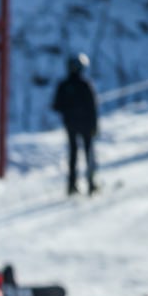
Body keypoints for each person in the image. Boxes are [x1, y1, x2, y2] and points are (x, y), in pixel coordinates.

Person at [51, 53, 99, 196]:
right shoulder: (85, 85)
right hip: (85, 125)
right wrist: (94, 125)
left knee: (73, 155)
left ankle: (72, 185)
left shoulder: (63, 85)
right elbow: (92, 107)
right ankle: (90, 184)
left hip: (70, 125)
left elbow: (56, 106)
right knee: (88, 153)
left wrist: (68, 109)